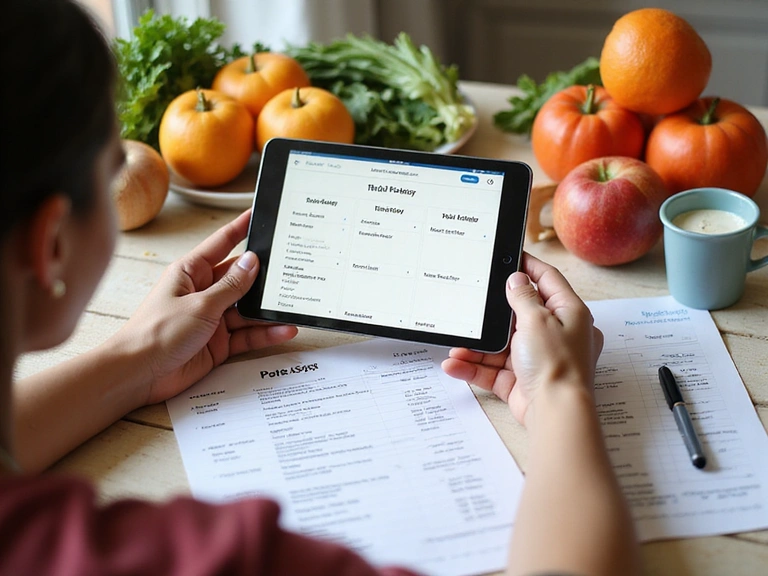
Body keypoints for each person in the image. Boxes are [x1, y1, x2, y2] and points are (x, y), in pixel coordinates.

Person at [0, 1, 640, 574]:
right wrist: (560, 393)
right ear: (51, 242)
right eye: (116, 172)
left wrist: (139, 359)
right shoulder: (213, 557)